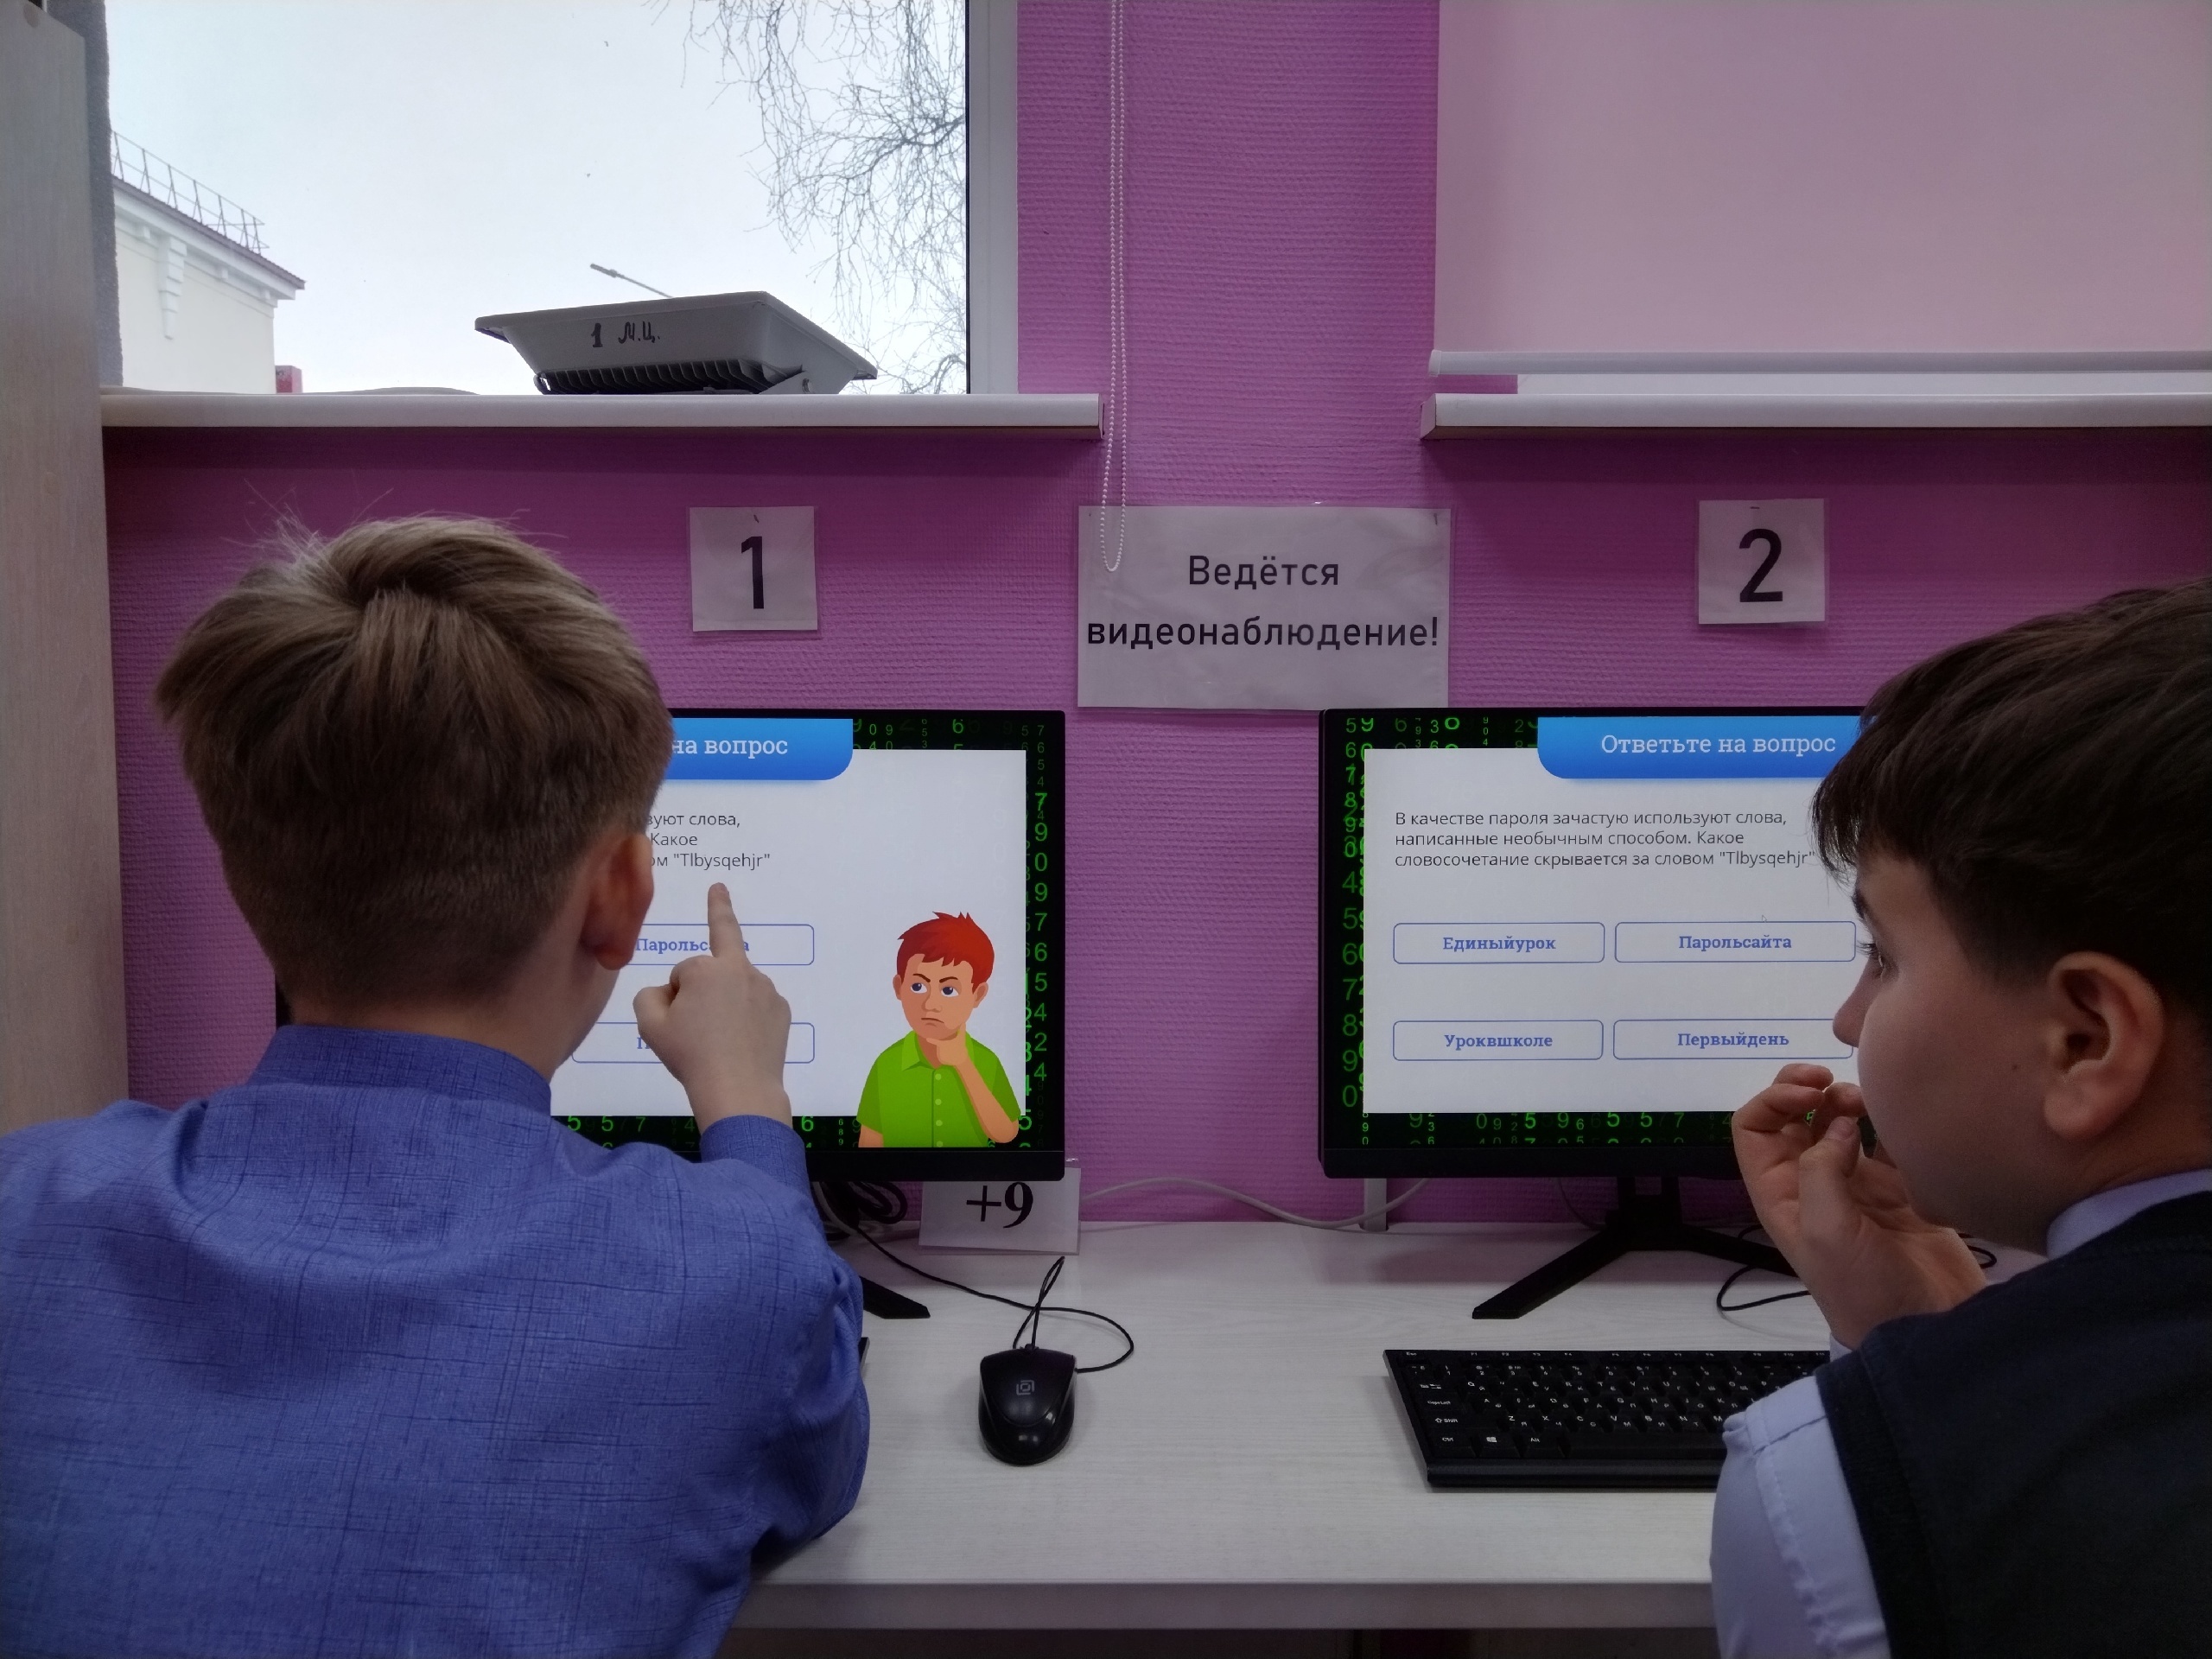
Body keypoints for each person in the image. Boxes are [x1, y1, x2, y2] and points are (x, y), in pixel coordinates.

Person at [0, 519, 867, 1659]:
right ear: (620, 895)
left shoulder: (24, 1204)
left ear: (247, 873)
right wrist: (745, 1095)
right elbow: (811, 1453)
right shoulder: (728, 1275)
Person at [1709, 579, 2211, 1659]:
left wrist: (1917, 1389)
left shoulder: (1839, 1484)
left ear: (2085, 1039)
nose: (1847, 1020)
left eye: (1882, 956)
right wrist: (1929, 1333)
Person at [855, 912, 1021, 1147]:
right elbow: (869, 1144)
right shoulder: (886, 1064)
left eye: (948, 990)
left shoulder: (987, 1061)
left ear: (978, 994)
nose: (930, 1004)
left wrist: (964, 1065)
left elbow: (1006, 1133)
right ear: (899, 987)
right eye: (918, 986)